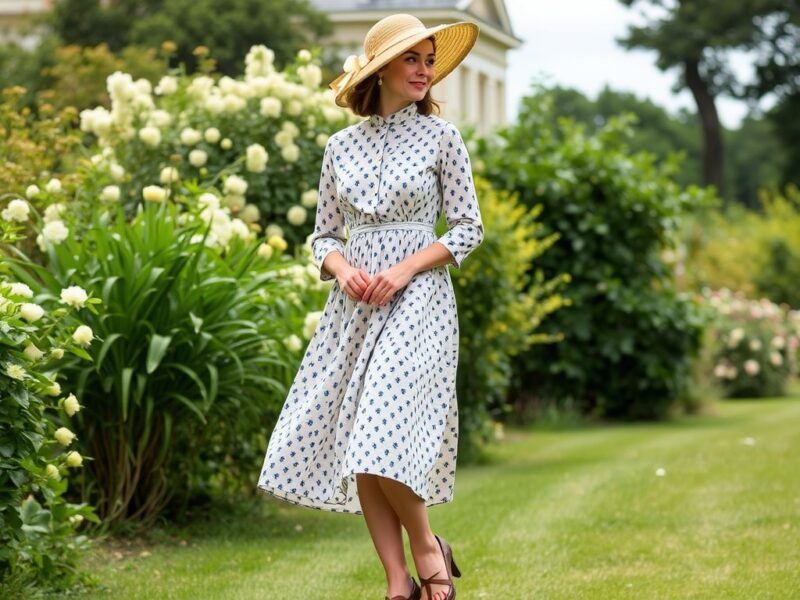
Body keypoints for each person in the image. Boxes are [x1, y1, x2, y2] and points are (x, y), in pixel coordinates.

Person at [257, 13, 483, 600]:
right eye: (414, 59)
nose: (425, 71)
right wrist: (341, 268)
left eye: (430, 61)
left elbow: (467, 228)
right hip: (354, 307)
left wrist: (406, 268)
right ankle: (396, 582)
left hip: (420, 303)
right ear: (381, 69)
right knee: (361, 438)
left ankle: (428, 548)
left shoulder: (442, 138)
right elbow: (323, 237)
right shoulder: (339, 147)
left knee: (380, 429)